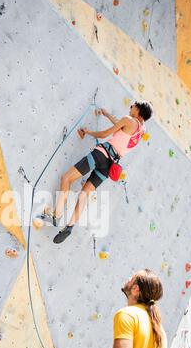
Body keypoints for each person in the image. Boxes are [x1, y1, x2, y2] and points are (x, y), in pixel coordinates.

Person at [42, 101, 153, 244]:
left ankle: (56, 214)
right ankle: (69, 227)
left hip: (100, 155)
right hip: (109, 167)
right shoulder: (141, 130)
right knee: (83, 195)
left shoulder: (129, 120)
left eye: (133, 106)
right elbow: (121, 127)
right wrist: (107, 115)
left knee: (66, 178)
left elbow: (105, 134)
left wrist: (88, 132)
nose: (130, 107)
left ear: (138, 110)